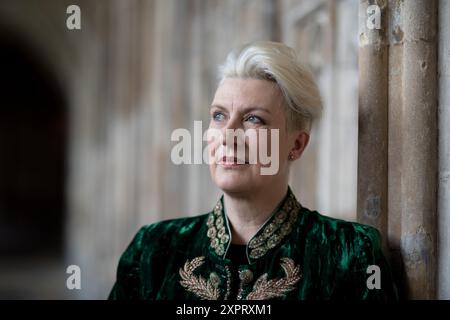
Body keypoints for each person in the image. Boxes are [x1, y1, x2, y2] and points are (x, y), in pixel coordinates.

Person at [108, 41, 398, 300]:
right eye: (219, 116)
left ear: (296, 144)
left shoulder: (351, 254)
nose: (228, 135)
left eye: (254, 119)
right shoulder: (152, 250)